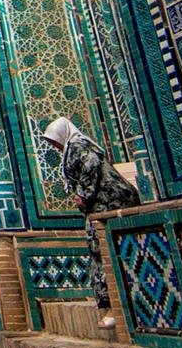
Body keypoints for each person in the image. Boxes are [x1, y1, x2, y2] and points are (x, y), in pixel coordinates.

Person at [44, 116, 140, 328]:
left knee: (102, 251)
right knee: (101, 252)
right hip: (103, 205)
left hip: (110, 203)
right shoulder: (76, 146)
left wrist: (83, 193)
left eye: (53, 140)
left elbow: (92, 164)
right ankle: (114, 307)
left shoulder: (78, 145)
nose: (53, 145)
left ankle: (117, 308)